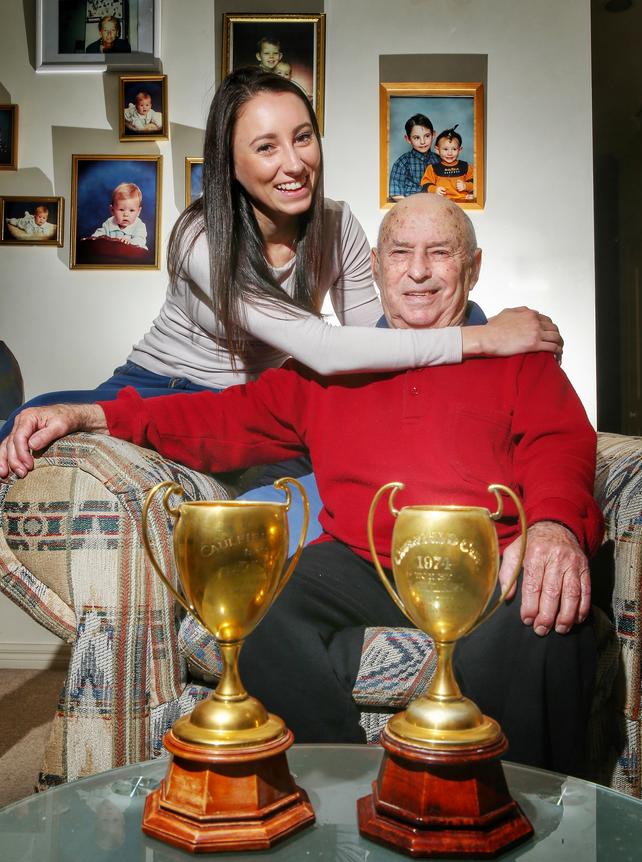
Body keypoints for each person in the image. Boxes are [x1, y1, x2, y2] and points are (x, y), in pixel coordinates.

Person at [0, 195, 603, 776]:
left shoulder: (519, 356)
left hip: (485, 559)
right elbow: (216, 421)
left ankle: (507, 813)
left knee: (550, 619)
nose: (418, 272)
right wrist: (89, 414)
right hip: (362, 561)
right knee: (260, 611)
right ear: (376, 267)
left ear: (471, 269)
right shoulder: (330, 369)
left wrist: (551, 524)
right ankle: (348, 789)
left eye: (440, 253)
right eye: (400, 253)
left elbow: (561, 444)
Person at [0, 68, 559, 446]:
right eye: (266, 147)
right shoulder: (200, 236)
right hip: (159, 385)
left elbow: (382, 338)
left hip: (257, 406)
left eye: (304, 137)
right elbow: (322, 346)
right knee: (30, 421)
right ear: (231, 162)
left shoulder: (337, 224)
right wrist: (482, 339)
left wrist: (498, 338)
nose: (294, 163)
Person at [389, 113, 439, 200]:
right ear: (408, 139)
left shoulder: (439, 160)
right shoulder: (402, 163)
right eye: (416, 138)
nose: (423, 142)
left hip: (436, 206)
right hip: (410, 206)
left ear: (433, 134)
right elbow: (396, 194)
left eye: (427, 136)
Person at [421, 125, 474, 203]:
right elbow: (425, 185)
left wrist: (466, 186)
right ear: (437, 150)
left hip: (462, 202)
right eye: (445, 149)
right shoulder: (432, 168)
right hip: (441, 203)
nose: (450, 153)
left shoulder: (465, 166)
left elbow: (475, 184)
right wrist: (435, 189)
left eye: (454, 149)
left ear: (460, 150)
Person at [89, 182, 147, 248]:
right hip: (114, 254)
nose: (126, 214)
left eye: (131, 210)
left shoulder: (139, 226)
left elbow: (140, 241)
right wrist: (95, 238)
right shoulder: (109, 222)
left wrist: (130, 242)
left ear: (138, 212)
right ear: (112, 210)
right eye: (121, 210)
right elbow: (100, 234)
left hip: (134, 255)